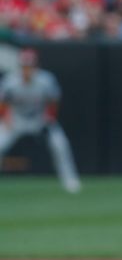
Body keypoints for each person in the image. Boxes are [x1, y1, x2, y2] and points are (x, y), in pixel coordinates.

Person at [0, 48, 81, 193]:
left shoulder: (46, 80)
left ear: (36, 66)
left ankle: (69, 180)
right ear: (19, 67)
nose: (27, 70)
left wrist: (49, 118)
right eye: (24, 66)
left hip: (39, 119)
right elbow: (3, 103)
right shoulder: (11, 81)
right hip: (16, 120)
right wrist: (5, 119)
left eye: (30, 66)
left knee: (60, 144)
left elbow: (53, 101)